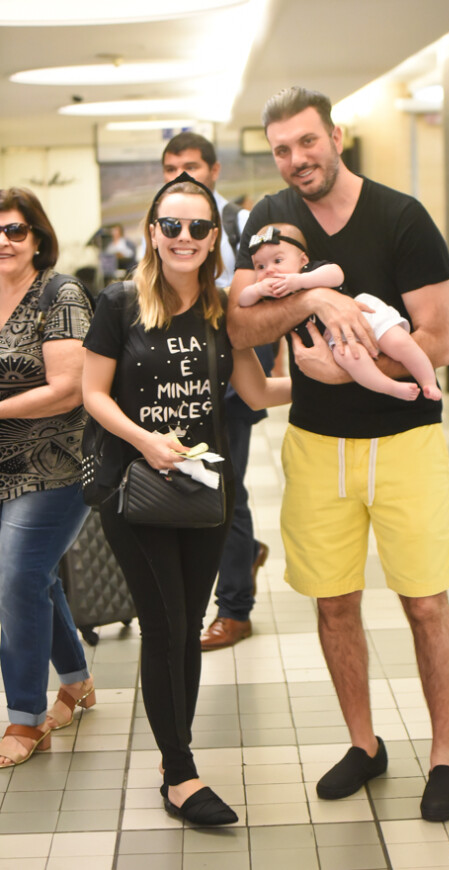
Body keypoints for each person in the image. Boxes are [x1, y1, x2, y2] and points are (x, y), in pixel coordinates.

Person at [227, 87, 449, 823]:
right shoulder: (270, 220)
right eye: (281, 151)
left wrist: (358, 369)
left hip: (406, 442)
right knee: (334, 604)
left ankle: (445, 755)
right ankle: (364, 745)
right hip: (316, 446)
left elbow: (440, 341)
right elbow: (239, 323)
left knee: (426, 602)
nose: (296, 161)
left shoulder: (403, 218)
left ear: (335, 135)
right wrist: (312, 304)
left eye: (306, 142)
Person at [82, 173, 291, 826]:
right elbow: (92, 393)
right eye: (170, 225)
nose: (183, 237)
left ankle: (181, 759)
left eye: (198, 227)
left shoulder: (222, 309)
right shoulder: (119, 303)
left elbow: (255, 393)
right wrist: (144, 440)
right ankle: (180, 774)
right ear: (152, 232)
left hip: (205, 489)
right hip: (134, 488)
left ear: (212, 238)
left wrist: (333, 382)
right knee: (166, 625)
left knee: (187, 631)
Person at [162, 131, 272, 650]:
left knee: (225, 488)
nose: (181, 176)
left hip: (231, 383)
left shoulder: (241, 224)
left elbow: (266, 309)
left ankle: (235, 609)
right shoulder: (163, 227)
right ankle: (242, 561)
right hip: (179, 384)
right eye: (170, 168)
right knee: (207, 486)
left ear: (214, 170)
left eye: (191, 166)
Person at [0, 187, 95, 768]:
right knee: (30, 577)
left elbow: (67, 389)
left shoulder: (59, 294)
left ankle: (26, 720)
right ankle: (78, 681)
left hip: (54, 463)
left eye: (15, 230)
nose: (4, 241)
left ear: (37, 237)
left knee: (13, 579)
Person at [242, 222, 442, 401]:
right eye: (260, 266)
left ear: (303, 259)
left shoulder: (309, 271)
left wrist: (301, 281)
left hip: (361, 314)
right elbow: (243, 300)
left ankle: (427, 381)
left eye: (277, 261)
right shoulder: (270, 293)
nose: (269, 270)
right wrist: (257, 289)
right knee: (351, 359)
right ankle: (390, 387)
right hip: (336, 339)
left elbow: (336, 274)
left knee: (398, 341)